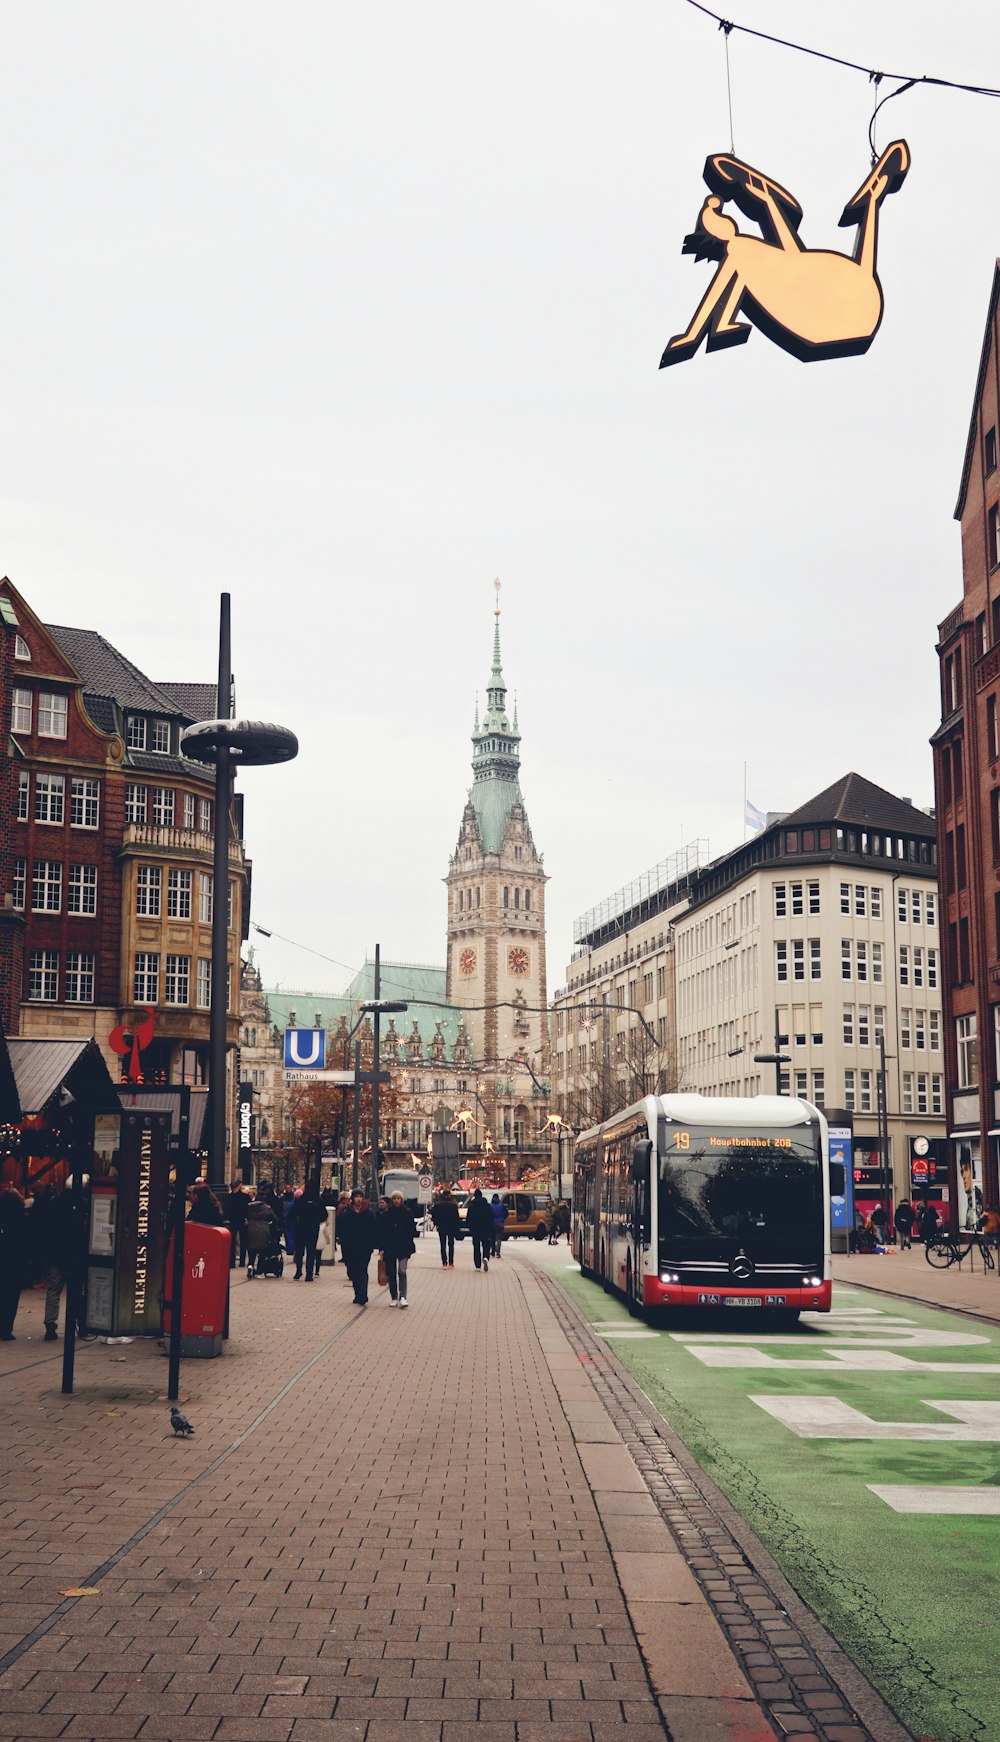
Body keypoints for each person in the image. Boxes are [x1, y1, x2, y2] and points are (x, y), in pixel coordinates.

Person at [338, 1191, 378, 1304]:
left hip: (365, 1247)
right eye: (356, 1197)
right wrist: (342, 1242)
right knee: (354, 1271)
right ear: (352, 1199)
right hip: (350, 1247)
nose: (359, 1199)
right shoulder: (346, 1213)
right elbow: (341, 1229)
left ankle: (363, 1294)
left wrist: (373, 1244)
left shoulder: (369, 1213)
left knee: (362, 1270)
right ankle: (357, 1293)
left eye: (360, 1197)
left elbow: (374, 1229)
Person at [0, 1188, 30, 1340]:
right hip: (16, 1262)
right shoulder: (23, 1218)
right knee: (11, 1297)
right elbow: (27, 1242)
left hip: (3, 1259)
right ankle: (6, 1329)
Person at [380, 1191, 416, 1306]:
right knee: (391, 1272)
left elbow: (411, 1230)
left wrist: (410, 1243)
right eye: (394, 1198)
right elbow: (382, 1232)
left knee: (402, 1270)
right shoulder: (387, 1214)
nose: (396, 1200)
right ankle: (394, 1296)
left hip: (403, 1246)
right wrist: (381, 1248)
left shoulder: (407, 1212)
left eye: (398, 1198)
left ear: (402, 1200)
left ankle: (403, 1296)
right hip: (390, 1246)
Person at [293, 1188, 327, 1281]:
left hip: (301, 1228)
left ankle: (298, 1271)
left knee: (299, 1251)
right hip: (313, 1228)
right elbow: (324, 1214)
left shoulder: (300, 1200)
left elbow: (293, 1213)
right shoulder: (318, 1200)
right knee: (311, 1252)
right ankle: (309, 1274)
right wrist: (317, 1221)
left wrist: (298, 1221)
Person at [466, 1188, 494, 1272]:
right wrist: (490, 1228)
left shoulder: (472, 1206)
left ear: (474, 1196)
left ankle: (478, 1266)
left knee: (476, 1247)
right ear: (482, 1195)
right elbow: (491, 1218)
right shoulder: (487, 1206)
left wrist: (471, 1228)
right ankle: (485, 1257)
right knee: (486, 1245)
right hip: (486, 1229)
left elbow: (469, 1219)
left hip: (475, 1230)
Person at [431, 1189, 460, 1268]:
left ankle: (444, 1262)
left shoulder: (437, 1205)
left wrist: (436, 1223)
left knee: (442, 1244)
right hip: (451, 1227)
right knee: (451, 1244)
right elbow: (456, 1217)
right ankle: (451, 1262)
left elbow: (434, 1215)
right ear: (449, 1195)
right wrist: (457, 1227)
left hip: (441, 1226)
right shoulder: (453, 1205)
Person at [226, 1179, 251, 1268]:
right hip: (241, 1220)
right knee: (242, 1241)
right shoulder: (245, 1197)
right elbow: (248, 1209)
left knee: (234, 1241)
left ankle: (233, 1262)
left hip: (234, 1220)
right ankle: (241, 1261)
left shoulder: (229, 1197)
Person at [489, 1192, 506, 1258]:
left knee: (492, 1238)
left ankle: (493, 1252)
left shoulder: (490, 1206)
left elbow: (488, 1215)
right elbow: (506, 1213)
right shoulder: (502, 1206)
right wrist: (503, 1218)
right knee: (499, 1239)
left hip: (492, 1224)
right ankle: (498, 1253)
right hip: (500, 1224)